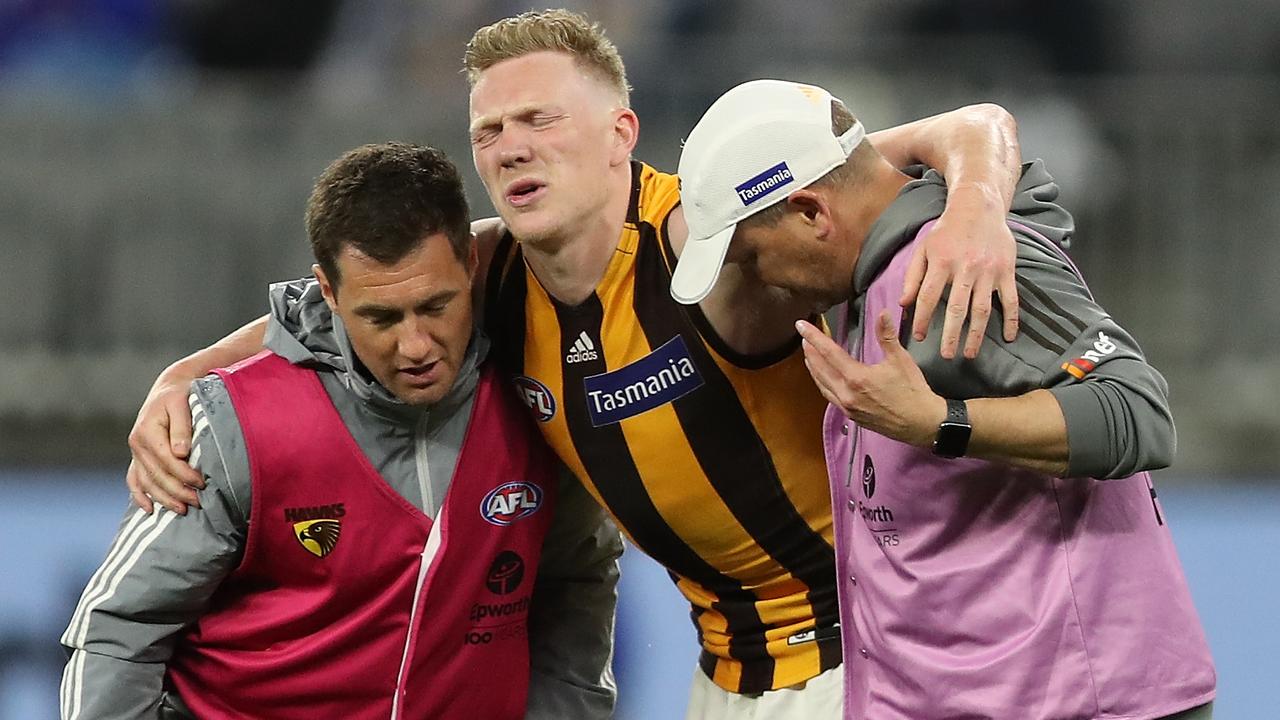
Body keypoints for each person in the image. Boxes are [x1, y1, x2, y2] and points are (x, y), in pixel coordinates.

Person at [124, 9, 1028, 717]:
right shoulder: (491, 277)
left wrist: (979, 202)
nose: (511, 144)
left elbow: (959, 127)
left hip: (864, 649)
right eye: (490, 131)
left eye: (541, 119)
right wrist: (181, 378)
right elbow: (336, 305)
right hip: (728, 672)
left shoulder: (705, 241)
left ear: (620, 133)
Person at [672, 79, 1217, 719]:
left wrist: (940, 423)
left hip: (1081, 699)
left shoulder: (954, 270)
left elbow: (1137, 409)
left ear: (812, 214)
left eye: (752, 256)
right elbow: (916, 143)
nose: (759, 281)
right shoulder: (873, 266)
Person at [60, 143, 621, 720]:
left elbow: (576, 583)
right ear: (326, 293)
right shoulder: (230, 424)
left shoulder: (543, 393)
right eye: (381, 318)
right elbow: (120, 632)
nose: (416, 347)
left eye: (436, 306)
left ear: (471, 266)